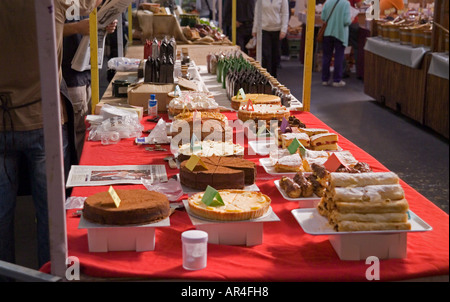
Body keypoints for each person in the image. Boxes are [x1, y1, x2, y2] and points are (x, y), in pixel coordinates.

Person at [0, 0, 97, 277]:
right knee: (52, 219)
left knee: (2, 217)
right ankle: (51, 275)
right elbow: (91, 5)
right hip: (43, 120)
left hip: (7, 119)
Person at [63, 17, 118, 161]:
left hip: (87, 71)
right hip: (70, 75)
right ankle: (75, 179)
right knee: (77, 133)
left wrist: (104, 24)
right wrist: (76, 27)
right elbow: (46, 30)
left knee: (88, 128)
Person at [252, 0, 289, 78]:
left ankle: (274, 77)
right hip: (264, 29)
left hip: (277, 30)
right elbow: (257, 13)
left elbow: (285, 14)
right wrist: (255, 29)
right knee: (266, 55)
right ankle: (266, 77)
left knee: (276, 55)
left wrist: (283, 29)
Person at [320, 0, 352, 87]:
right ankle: (336, 80)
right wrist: (351, 19)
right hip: (340, 33)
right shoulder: (346, 3)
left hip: (327, 32)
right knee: (339, 57)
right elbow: (346, 21)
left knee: (326, 56)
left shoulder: (327, 2)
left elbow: (323, 17)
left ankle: (325, 79)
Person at [343, 0, 363, 78]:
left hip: (342, 20)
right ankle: (359, 71)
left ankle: (342, 70)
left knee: (342, 46)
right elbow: (359, 5)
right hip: (352, 21)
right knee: (356, 47)